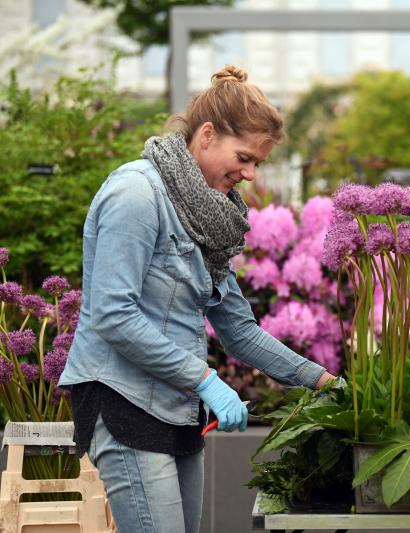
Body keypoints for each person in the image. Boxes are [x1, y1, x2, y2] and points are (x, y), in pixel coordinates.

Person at [58, 65, 336, 533]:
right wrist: (204, 379)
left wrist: (323, 381)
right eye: (244, 157)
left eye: (258, 164)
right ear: (207, 135)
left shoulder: (208, 216)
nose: (249, 174)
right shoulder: (136, 194)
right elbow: (112, 313)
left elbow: (240, 331)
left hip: (177, 408)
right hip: (123, 399)